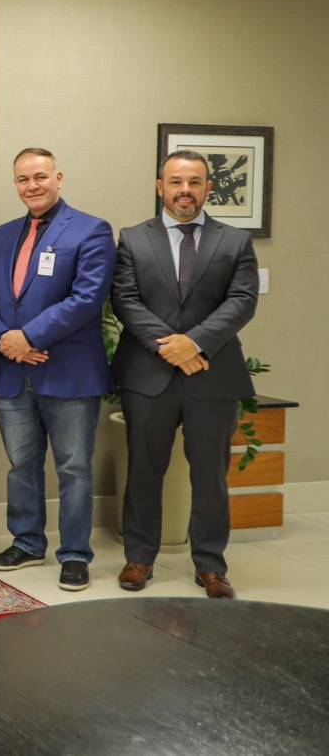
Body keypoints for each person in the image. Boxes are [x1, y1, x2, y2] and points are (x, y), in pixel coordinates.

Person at [112, 150, 259, 599]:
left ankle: (210, 566)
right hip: (147, 376)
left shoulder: (234, 241)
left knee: (210, 476)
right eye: (176, 182)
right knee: (143, 471)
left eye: (195, 182)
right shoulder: (133, 238)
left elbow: (242, 300)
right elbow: (125, 300)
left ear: (208, 188)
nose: (185, 191)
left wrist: (193, 343)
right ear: (160, 187)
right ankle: (139, 558)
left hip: (212, 376)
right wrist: (173, 347)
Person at [0, 148, 113, 591]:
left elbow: (86, 299)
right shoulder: (1, 236)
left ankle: (74, 554)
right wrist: (3, 339)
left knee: (73, 467)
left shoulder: (91, 230)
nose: (31, 186)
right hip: (14, 370)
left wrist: (28, 337)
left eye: (39, 177)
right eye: (22, 180)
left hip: (68, 370)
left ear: (58, 177)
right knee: (21, 464)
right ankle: (27, 541)